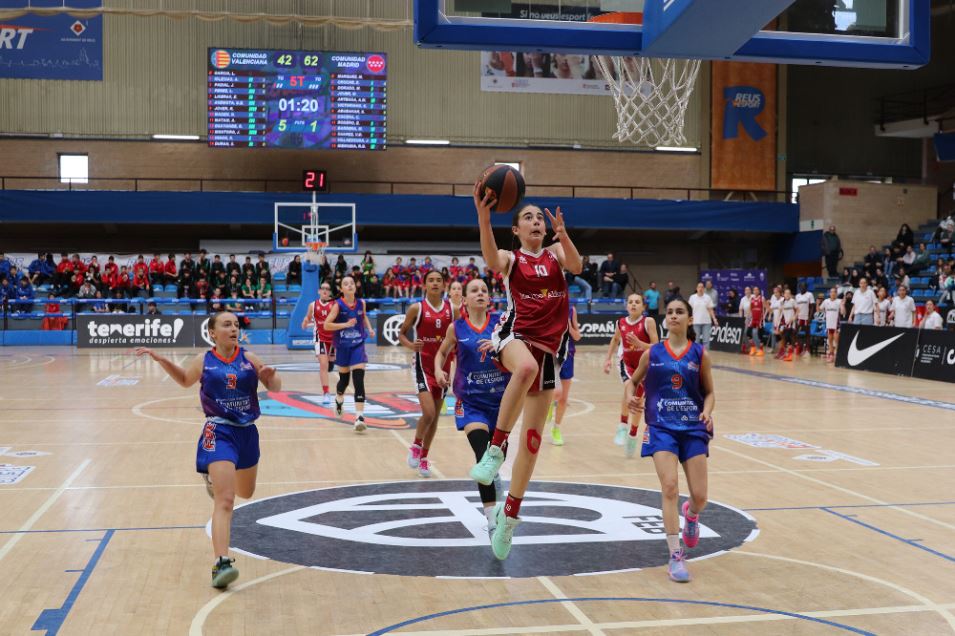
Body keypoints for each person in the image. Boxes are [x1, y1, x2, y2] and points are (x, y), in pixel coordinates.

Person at [469, 182, 582, 561]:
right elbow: (490, 259)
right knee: (526, 368)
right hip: (515, 337)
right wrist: (484, 218)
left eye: (539, 218)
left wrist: (564, 234)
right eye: (527, 218)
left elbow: (577, 266)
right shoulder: (512, 259)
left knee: (532, 444)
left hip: (550, 352)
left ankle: (509, 518)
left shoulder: (555, 253)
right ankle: (495, 450)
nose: (535, 221)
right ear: (516, 229)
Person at [135, 312, 281, 589]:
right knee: (225, 500)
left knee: (246, 492)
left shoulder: (250, 359)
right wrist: (163, 360)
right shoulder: (204, 360)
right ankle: (221, 563)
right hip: (218, 431)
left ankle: (215, 479)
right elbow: (185, 380)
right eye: (227, 324)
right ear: (212, 333)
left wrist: (270, 378)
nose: (233, 328)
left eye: (236, 324)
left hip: (247, 433)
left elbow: (275, 387)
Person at [626, 297, 715, 583]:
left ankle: (692, 515)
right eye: (670, 312)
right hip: (661, 427)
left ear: (690, 319)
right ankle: (675, 555)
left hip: (692, 427)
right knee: (669, 487)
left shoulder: (699, 354)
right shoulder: (653, 353)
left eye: (680, 312)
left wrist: (707, 411)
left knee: (700, 497)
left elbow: (710, 392)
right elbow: (632, 381)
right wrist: (630, 397)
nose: (674, 315)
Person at [434, 278, 510, 539]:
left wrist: (499, 345)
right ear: (464, 299)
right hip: (470, 402)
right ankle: (491, 519)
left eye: (484, 290)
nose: (480, 293)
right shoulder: (456, 328)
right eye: (474, 290)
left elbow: (520, 349)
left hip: (502, 402)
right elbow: (441, 353)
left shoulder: (501, 324)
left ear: (489, 298)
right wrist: (438, 370)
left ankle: (495, 475)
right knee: (483, 456)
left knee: (497, 456)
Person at [400, 270, 454, 478]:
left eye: (439, 280)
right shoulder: (417, 308)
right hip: (422, 366)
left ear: (444, 285)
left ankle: (424, 457)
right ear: (424, 285)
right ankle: (416, 445)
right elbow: (401, 333)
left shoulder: (453, 309)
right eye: (431, 280)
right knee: (429, 413)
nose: (435, 283)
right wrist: (410, 345)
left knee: (435, 418)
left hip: (444, 368)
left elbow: (458, 338)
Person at [603, 293, 658, 456]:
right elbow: (615, 340)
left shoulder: (648, 322)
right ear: (626, 306)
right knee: (629, 388)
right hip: (626, 363)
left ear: (643, 306)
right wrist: (608, 359)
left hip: (645, 366)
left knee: (638, 400)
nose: (634, 304)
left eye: (637, 302)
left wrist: (640, 344)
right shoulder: (620, 322)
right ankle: (622, 425)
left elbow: (657, 346)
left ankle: (633, 434)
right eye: (631, 302)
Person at [323, 275, 376, 432]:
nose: (350, 285)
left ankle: (359, 417)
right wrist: (345, 324)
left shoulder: (361, 303)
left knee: (358, 380)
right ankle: (339, 398)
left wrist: (370, 328)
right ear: (341, 289)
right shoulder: (337, 306)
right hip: (342, 346)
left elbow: (363, 317)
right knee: (344, 381)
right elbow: (326, 325)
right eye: (346, 284)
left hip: (358, 344)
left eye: (352, 283)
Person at [549, 303, 581, 446]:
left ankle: (556, 429)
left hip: (568, 356)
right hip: (551, 355)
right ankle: (549, 403)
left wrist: (568, 323)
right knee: (557, 392)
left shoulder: (571, 309)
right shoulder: (547, 306)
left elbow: (577, 336)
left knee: (563, 398)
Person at [301, 282, 337, 406]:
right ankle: (326, 393)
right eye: (323, 288)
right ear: (319, 291)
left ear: (330, 292)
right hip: (320, 338)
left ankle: (332, 361)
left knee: (330, 365)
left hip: (333, 339)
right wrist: (305, 321)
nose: (325, 290)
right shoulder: (313, 305)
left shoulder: (335, 305)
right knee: (323, 365)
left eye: (327, 289)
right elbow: (308, 317)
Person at [688, 282, 718, 350]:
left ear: (704, 289)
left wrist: (714, 319)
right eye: (699, 287)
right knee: (696, 340)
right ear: (696, 288)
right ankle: (696, 354)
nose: (700, 289)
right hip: (695, 322)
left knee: (706, 341)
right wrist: (688, 319)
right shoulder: (692, 297)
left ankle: (705, 354)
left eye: (702, 287)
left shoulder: (707, 298)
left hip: (706, 322)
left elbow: (710, 310)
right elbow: (689, 310)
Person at [818, 288, 842, 362]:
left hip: (836, 324)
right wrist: (817, 303)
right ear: (829, 293)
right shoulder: (826, 301)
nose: (833, 293)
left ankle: (838, 356)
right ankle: (831, 355)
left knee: (837, 341)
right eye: (831, 292)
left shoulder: (839, 301)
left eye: (834, 292)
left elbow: (843, 312)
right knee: (830, 341)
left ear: (836, 294)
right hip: (829, 324)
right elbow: (819, 310)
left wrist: (843, 305)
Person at [776, 288, 797, 361]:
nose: (787, 294)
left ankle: (789, 355)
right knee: (781, 336)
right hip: (784, 322)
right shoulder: (782, 302)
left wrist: (794, 317)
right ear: (783, 294)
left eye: (789, 293)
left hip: (791, 322)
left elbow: (798, 310)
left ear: (790, 294)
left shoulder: (792, 301)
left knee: (788, 337)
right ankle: (783, 352)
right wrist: (778, 320)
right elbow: (780, 311)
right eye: (786, 293)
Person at [794, 283, 815, 357]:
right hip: (799, 317)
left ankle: (807, 350)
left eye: (804, 286)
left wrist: (810, 317)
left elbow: (812, 307)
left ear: (806, 287)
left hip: (806, 317)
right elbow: (795, 308)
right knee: (795, 333)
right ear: (799, 287)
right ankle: (799, 347)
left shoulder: (810, 295)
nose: (803, 288)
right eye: (801, 286)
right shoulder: (797, 296)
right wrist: (795, 316)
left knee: (807, 334)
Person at [748, 287, 765, 356]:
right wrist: (748, 317)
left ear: (759, 291)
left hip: (760, 318)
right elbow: (750, 309)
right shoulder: (751, 299)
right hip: (753, 318)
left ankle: (761, 350)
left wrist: (765, 315)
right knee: (748, 332)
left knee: (760, 334)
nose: (755, 291)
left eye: (757, 290)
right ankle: (753, 347)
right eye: (754, 290)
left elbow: (767, 307)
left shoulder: (762, 298)